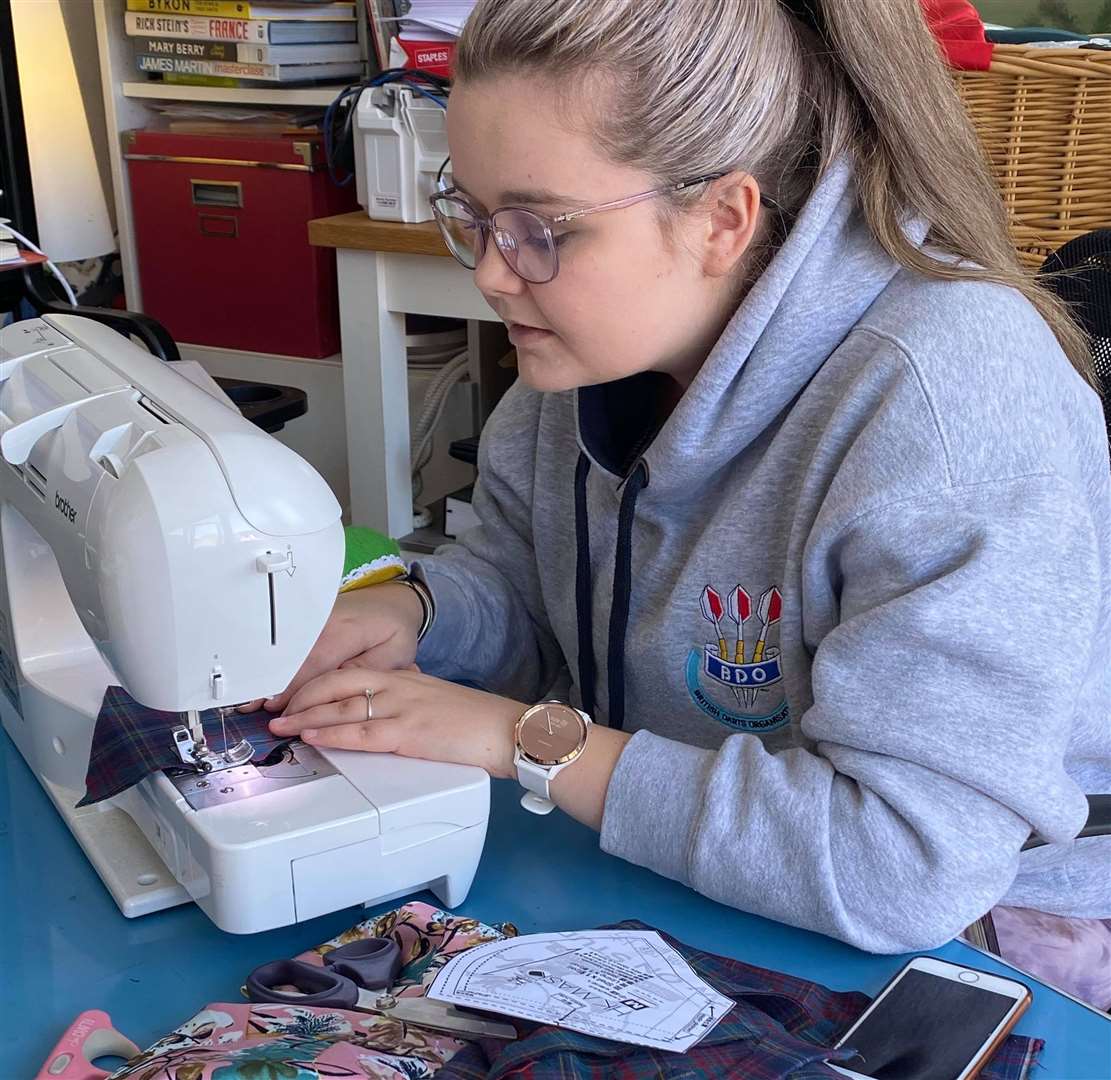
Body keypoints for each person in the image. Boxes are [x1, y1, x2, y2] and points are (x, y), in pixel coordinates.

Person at [255, 0, 1111, 1005]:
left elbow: (900, 865)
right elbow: (530, 590)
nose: (492, 271)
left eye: (535, 229)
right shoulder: (577, 367)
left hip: (990, 941)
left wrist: (520, 738)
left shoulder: (946, 401)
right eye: (473, 215)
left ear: (721, 218)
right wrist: (415, 617)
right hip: (681, 869)